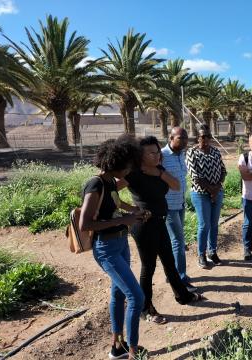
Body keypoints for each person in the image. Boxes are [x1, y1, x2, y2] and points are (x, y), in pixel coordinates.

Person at [117, 136, 203, 325]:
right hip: (144, 226)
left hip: (160, 222)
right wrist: (130, 209)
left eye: (158, 151)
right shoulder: (133, 173)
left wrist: (158, 173)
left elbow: (177, 185)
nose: (157, 155)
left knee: (169, 262)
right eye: (152, 153)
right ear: (141, 155)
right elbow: (110, 190)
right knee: (149, 268)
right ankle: (145, 308)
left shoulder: (158, 170)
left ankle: (183, 296)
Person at [79, 136, 147, 359]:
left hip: (120, 243)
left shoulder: (110, 183)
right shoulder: (96, 184)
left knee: (118, 295)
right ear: (116, 162)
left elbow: (112, 210)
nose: (129, 170)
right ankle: (134, 353)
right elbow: (86, 223)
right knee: (137, 297)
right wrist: (122, 221)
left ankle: (118, 347)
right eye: (127, 165)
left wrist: (131, 214)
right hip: (106, 248)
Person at [186, 124, 227, 269]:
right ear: (197, 137)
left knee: (214, 224)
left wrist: (217, 188)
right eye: (202, 136)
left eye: (208, 136)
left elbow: (223, 170)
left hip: (217, 192)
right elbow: (195, 176)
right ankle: (201, 254)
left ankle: (212, 252)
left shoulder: (215, 151)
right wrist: (212, 190)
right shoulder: (191, 152)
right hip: (201, 194)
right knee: (204, 225)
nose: (205, 139)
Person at [161, 127, 197, 291]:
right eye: (180, 138)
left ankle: (172, 274)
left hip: (180, 204)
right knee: (178, 241)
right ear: (171, 137)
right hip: (168, 207)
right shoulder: (161, 155)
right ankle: (180, 278)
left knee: (174, 241)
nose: (184, 141)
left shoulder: (181, 154)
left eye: (186, 138)